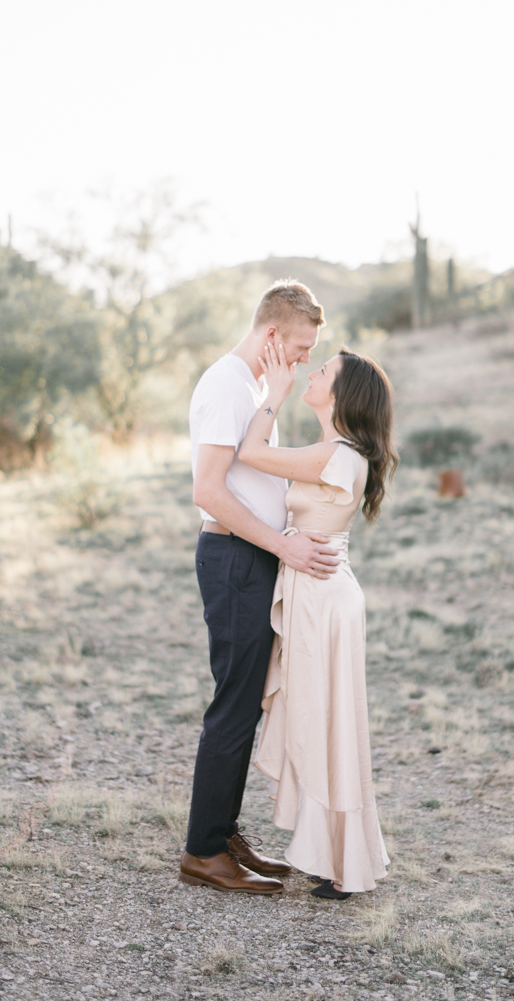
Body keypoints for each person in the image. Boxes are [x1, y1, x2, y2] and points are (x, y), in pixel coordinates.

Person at [179, 280, 340, 896]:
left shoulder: (252, 386)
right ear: (272, 335)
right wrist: (283, 545)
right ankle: (203, 851)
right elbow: (209, 490)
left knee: (245, 701)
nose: (303, 362)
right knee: (234, 704)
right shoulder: (226, 384)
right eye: (300, 349)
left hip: (251, 559)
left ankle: (220, 833)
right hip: (235, 559)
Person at [239, 342, 398, 899]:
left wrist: (273, 394)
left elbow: (250, 451)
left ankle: (342, 863)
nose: (311, 372)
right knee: (319, 719)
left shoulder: (335, 455)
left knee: (328, 722)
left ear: (340, 394)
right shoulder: (335, 451)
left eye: (322, 370)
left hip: (325, 599)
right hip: (319, 593)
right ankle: (331, 853)